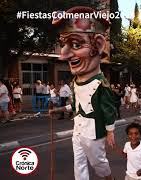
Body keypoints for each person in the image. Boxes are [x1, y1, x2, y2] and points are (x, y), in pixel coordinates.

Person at [49, 6, 116, 180]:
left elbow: (109, 110)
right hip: (77, 129)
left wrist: (110, 131)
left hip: (94, 132)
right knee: (78, 163)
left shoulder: (102, 84)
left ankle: (109, 178)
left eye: (76, 44)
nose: (63, 56)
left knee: (98, 162)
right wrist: (59, 110)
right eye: (64, 44)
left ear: (99, 45)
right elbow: (77, 105)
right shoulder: (75, 82)